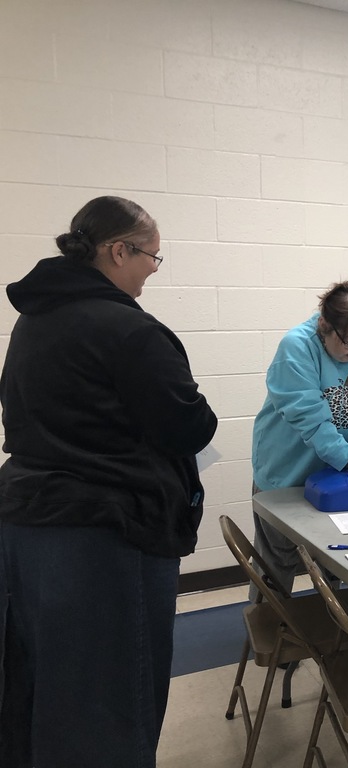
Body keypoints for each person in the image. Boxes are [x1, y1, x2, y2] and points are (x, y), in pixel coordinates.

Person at [0, 196, 218, 767]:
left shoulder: (34, 320)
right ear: (118, 251)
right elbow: (188, 425)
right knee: (113, 700)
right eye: (152, 256)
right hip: (106, 539)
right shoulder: (129, 330)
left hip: (27, 527)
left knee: (46, 687)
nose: (153, 267)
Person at [251, 281, 348, 594]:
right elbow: (308, 415)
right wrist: (347, 455)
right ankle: (266, 630)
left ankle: (338, 631)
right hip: (288, 471)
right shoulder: (297, 346)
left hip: (340, 477)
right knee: (277, 561)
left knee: (341, 557)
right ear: (325, 326)